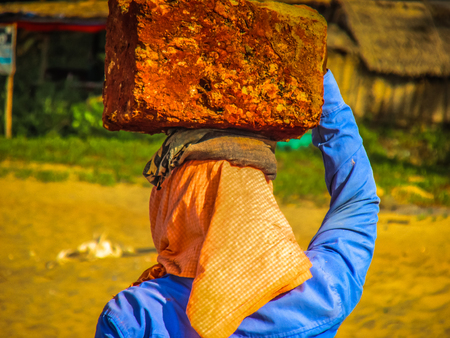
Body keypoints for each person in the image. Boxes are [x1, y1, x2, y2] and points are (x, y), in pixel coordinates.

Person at [95, 67, 380, 337]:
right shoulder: (324, 292)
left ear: (172, 201)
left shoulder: (133, 317)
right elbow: (357, 202)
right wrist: (323, 86)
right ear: (259, 199)